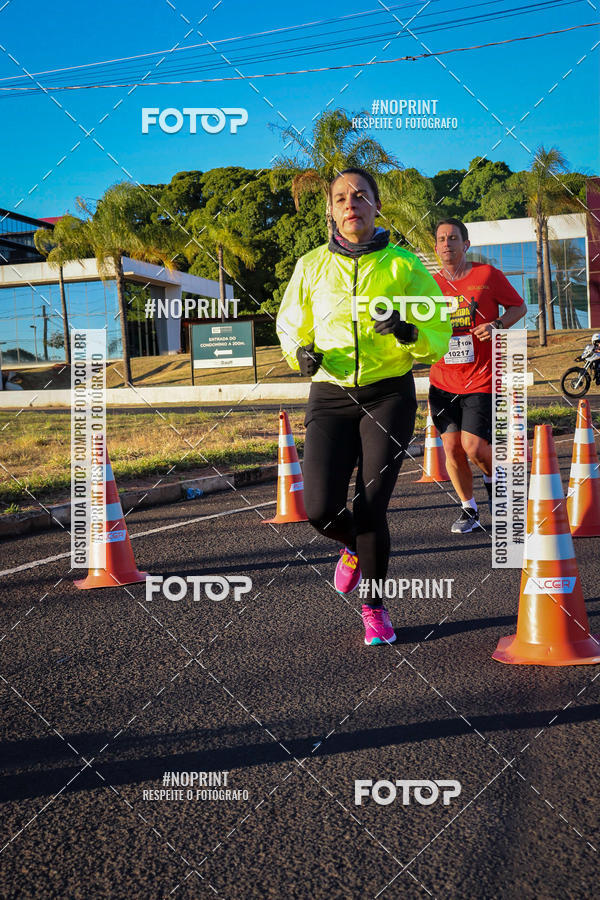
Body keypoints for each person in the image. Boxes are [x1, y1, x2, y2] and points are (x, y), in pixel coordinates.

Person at [276, 168, 451, 645]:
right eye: (340, 198)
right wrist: (300, 352)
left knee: (371, 504)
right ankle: (354, 548)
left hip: (388, 393)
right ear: (331, 211)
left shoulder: (404, 266)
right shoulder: (310, 265)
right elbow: (291, 321)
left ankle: (374, 607)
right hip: (330, 394)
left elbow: (437, 326)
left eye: (360, 195)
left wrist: (409, 331)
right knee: (318, 509)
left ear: (376, 206)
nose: (350, 203)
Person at [429, 218, 526, 534]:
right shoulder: (428, 285)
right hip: (442, 380)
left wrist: (497, 325)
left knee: (473, 446)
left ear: (465, 244)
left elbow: (518, 307)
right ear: (436, 247)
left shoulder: (487, 275)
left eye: (453, 238)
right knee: (452, 449)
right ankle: (468, 509)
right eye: (441, 239)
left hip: (481, 378)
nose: (447, 243)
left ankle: (492, 480)